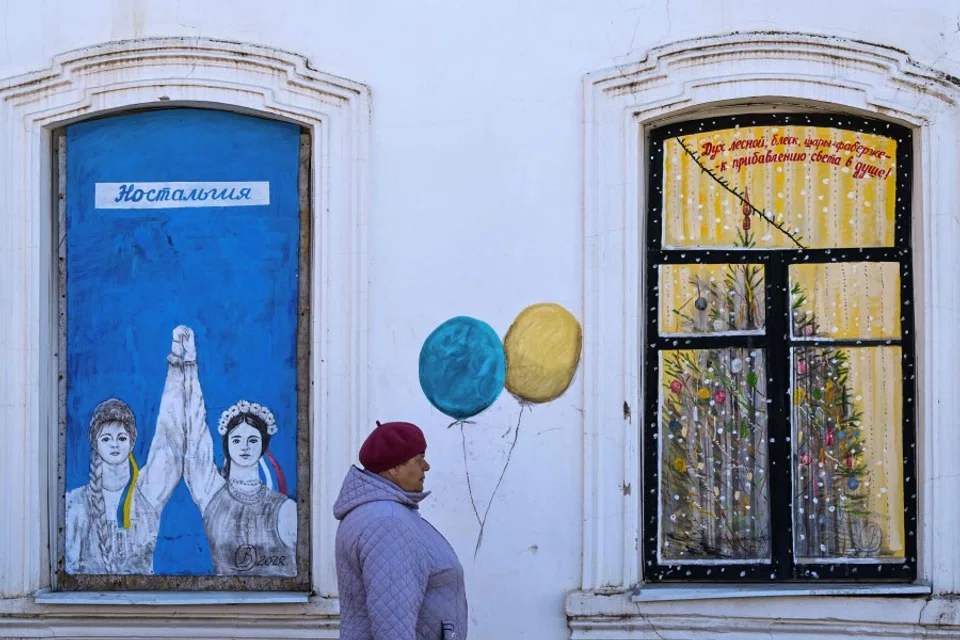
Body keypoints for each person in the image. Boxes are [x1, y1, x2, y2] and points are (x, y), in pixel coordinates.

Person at [64, 328, 190, 575]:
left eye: (122, 437)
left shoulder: (147, 493)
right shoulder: (75, 504)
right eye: (106, 438)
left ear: (131, 443)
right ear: (95, 444)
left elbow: (170, 439)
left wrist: (176, 361)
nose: (114, 444)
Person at [178, 325, 297, 577]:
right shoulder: (211, 494)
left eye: (253, 440)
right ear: (227, 444)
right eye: (237, 440)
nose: (244, 446)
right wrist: (189, 366)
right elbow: (195, 436)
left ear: (264, 447)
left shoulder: (284, 508)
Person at [334, 420, 468, 640]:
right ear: (394, 468)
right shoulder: (388, 522)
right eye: (419, 459)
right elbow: (392, 628)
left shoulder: (382, 512)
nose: (426, 467)